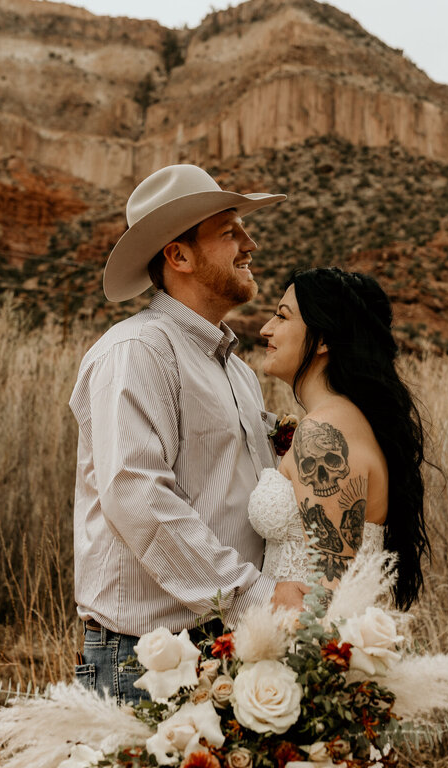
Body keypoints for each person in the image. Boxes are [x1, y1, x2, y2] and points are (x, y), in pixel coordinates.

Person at [69, 164, 307, 704]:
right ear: (178, 256)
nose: (250, 244)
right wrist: (253, 599)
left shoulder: (238, 371)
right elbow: (138, 496)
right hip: (144, 656)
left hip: (224, 637)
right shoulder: (136, 352)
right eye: (230, 232)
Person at [250, 267, 429, 610]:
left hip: (304, 645)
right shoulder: (344, 420)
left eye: (281, 317)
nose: (265, 329)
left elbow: (329, 585)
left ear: (322, 340)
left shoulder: (323, 435)